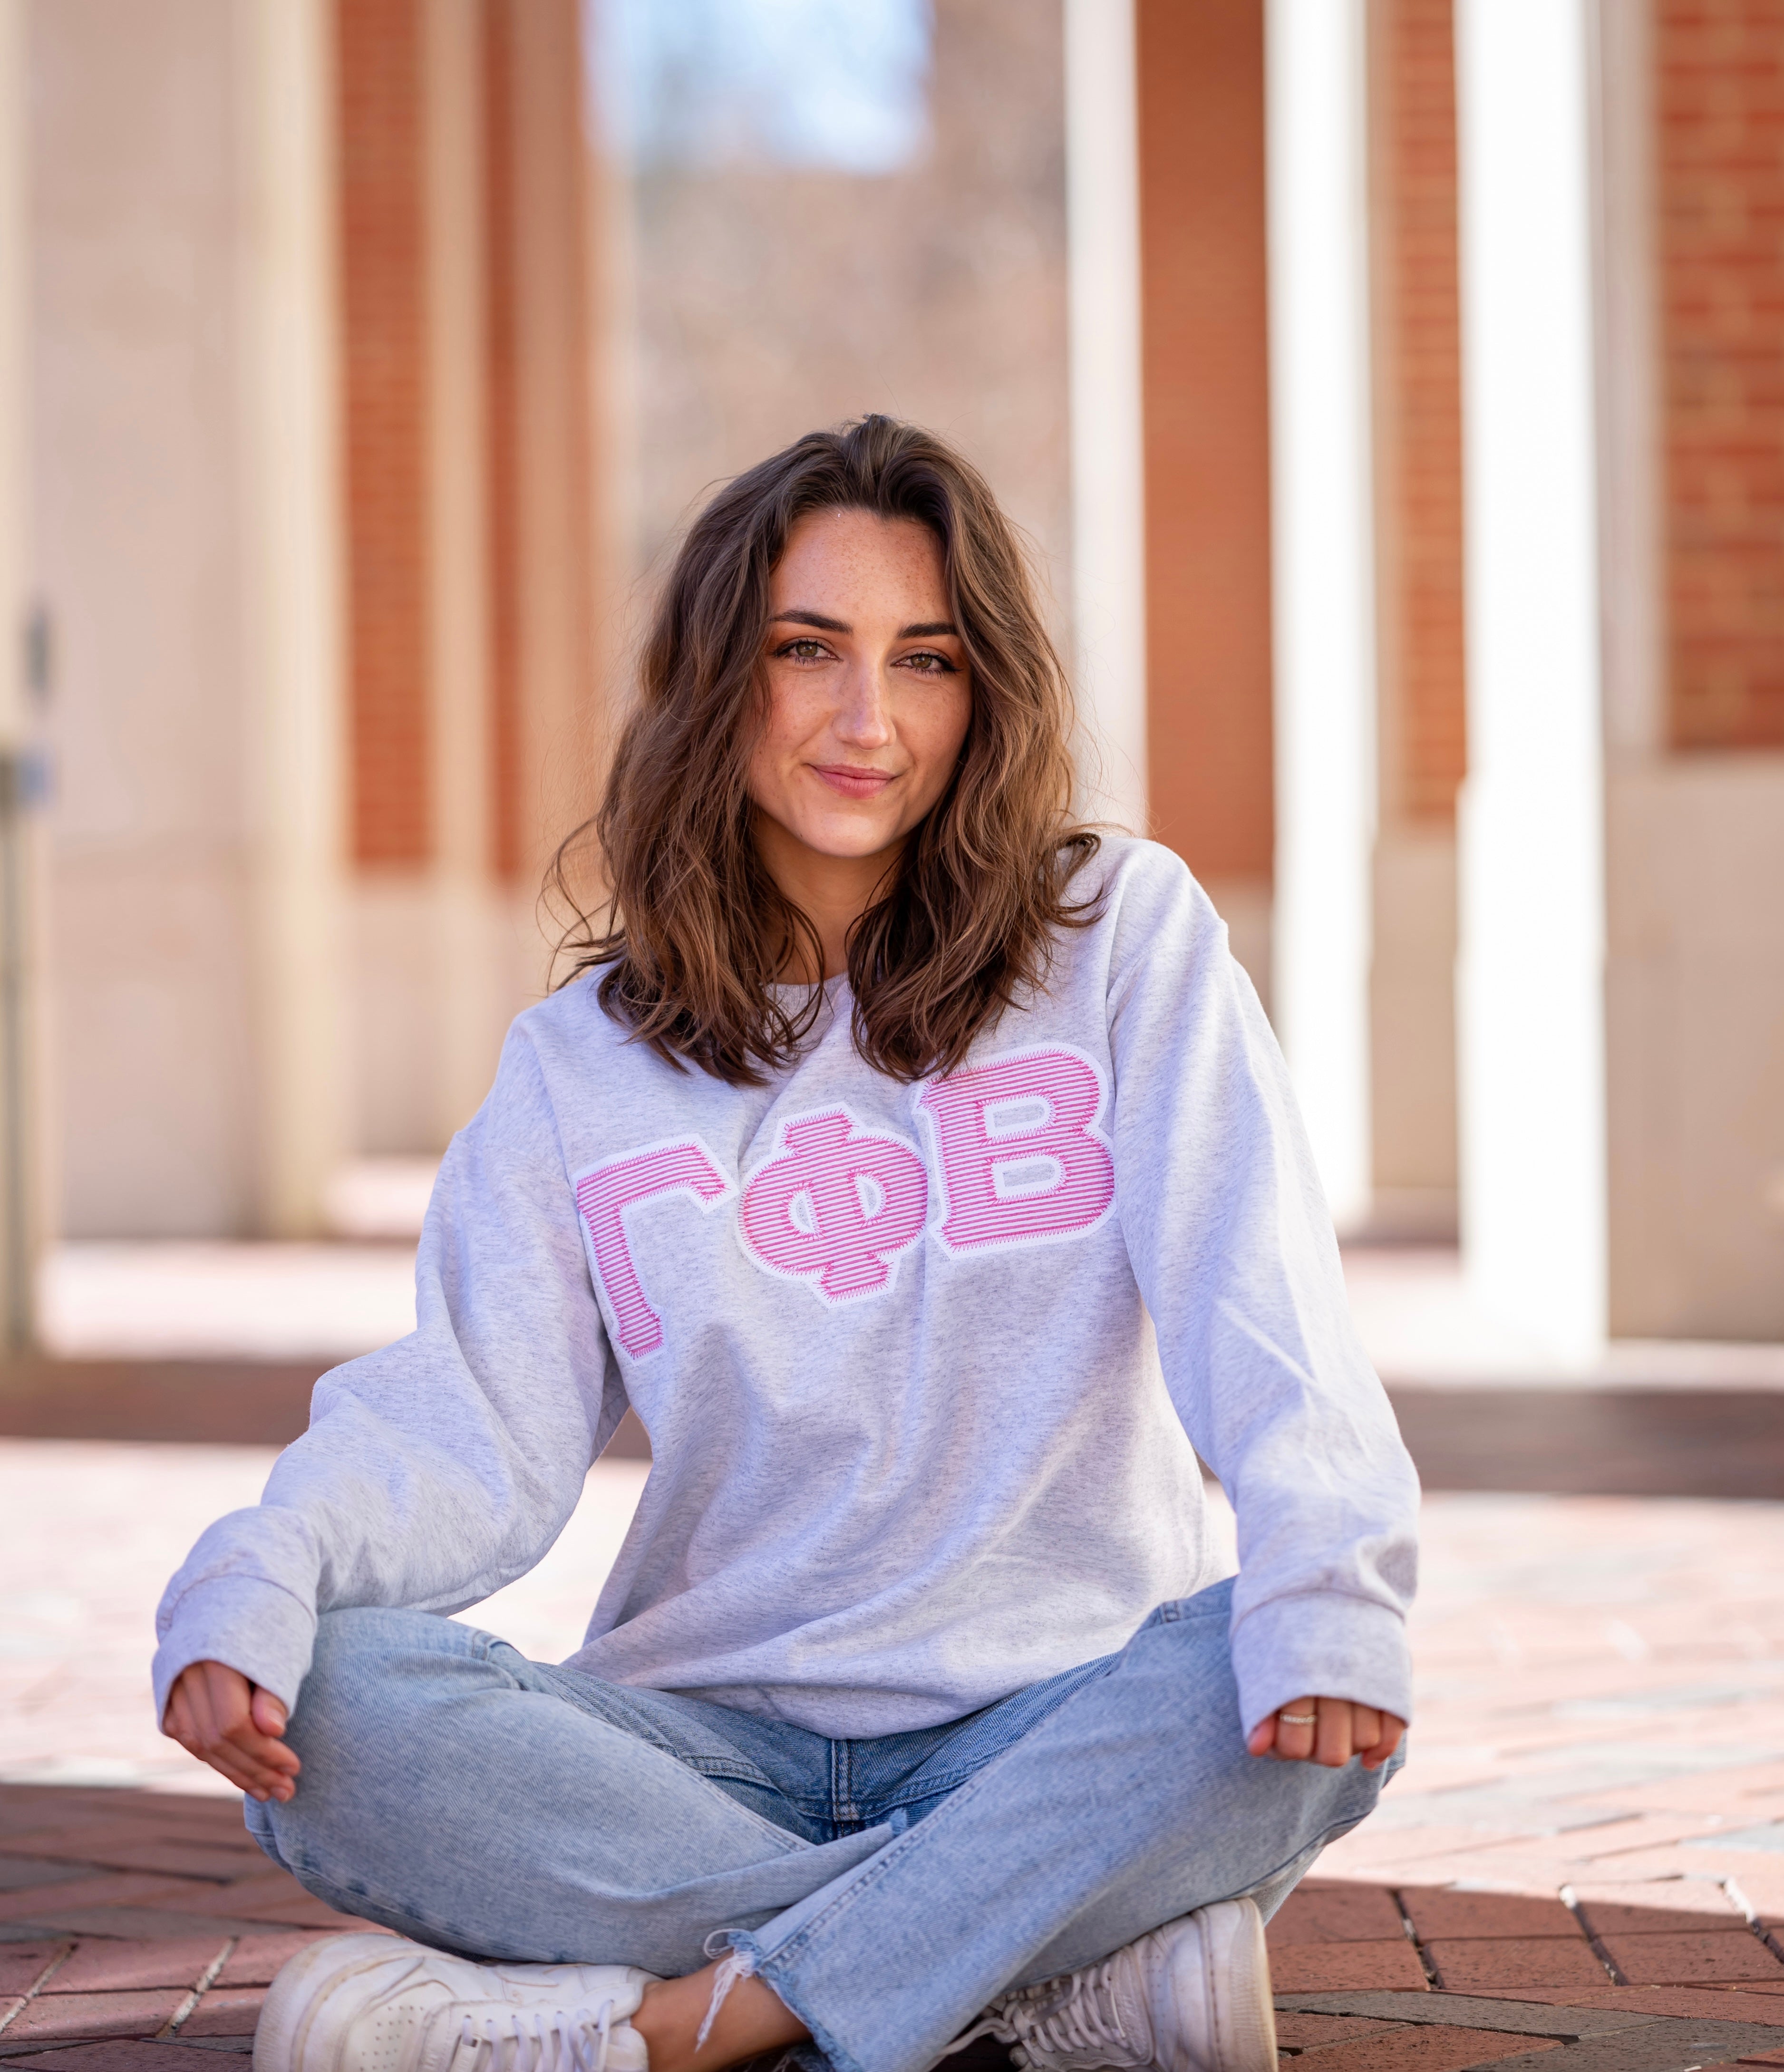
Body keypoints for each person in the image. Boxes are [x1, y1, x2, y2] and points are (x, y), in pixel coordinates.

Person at [155, 416, 1419, 2072]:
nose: (867, 721)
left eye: (929, 661)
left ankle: (679, 2031)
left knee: (1296, 1683)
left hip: (1049, 1711)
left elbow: (1263, 1308)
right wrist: (266, 1575)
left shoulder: (1120, 939)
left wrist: (1328, 1585)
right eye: (805, 651)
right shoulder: (583, 1066)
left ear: (990, 695)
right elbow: (470, 1422)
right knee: (335, 1705)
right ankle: (1030, 1970)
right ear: (713, 679)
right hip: (696, 1745)